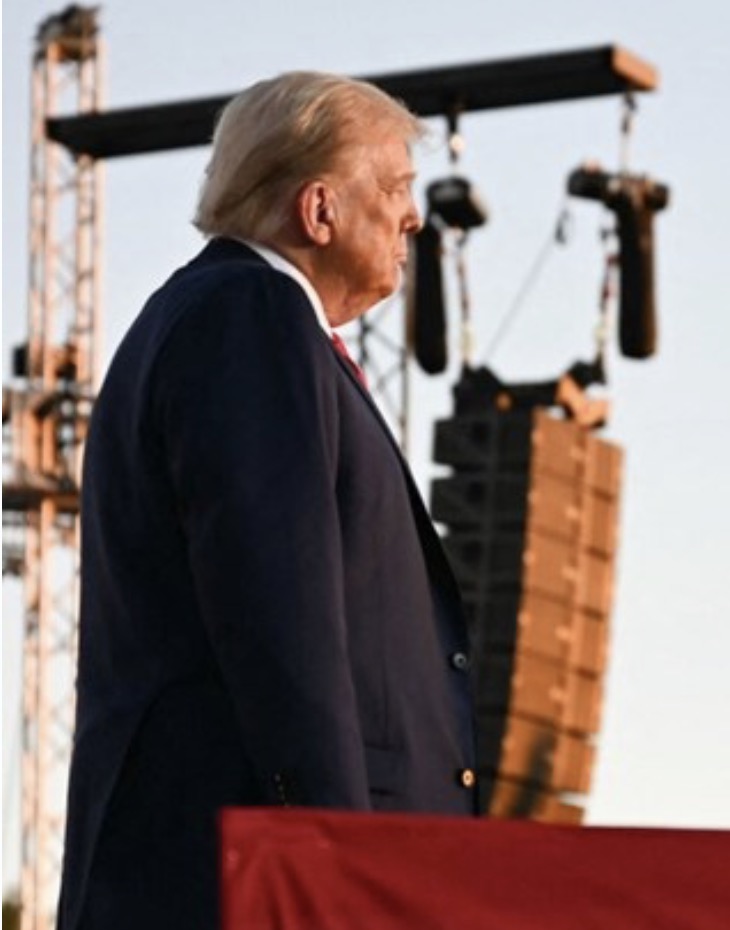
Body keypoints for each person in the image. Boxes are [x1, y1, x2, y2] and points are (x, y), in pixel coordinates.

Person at [58, 72, 477, 930]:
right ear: (317, 210)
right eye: (395, 187)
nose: (413, 217)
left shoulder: (216, 318)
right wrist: (332, 855)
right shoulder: (248, 315)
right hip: (255, 879)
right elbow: (278, 612)